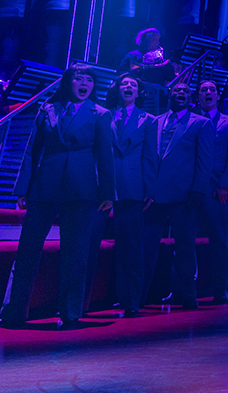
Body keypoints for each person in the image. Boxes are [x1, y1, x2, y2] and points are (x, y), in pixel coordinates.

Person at [0, 64, 115, 330]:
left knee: (76, 253)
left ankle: (71, 313)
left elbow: (105, 155)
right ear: (68, 82)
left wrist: (108, 193)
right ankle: (14, 310)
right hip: (45, 186)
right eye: (79, 79)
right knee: (27, 250)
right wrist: (23, 188)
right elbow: (32, 150)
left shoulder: (100, 114)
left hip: (81, 189)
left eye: (89, 80)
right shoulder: (47, 109)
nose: (84, 84)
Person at [85, 75, 157, 317]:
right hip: (102, 185)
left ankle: (130, 300)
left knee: (131, 247)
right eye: (125, 84)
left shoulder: (148, 120)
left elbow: (150, 156)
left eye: (133, 85)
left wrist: (149, 189)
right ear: (117, 89)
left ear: (138, 92)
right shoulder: (103, 114)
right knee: (89, 244)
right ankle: (80, 302)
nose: (128, 87)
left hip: (132, 186)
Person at [141, 81, 213, 309]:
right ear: (169, 94)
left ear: (191, 98)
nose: (181, 92)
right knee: (147, 247)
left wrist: (198, 189)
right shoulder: (155, 121)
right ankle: (138, 297)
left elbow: (205, 160)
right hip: (154, 195)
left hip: (184, 196)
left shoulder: (200, 123)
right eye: (177, 90)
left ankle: (187, 295)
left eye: (186, 91)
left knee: (185, 247)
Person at [195, 80, 228, 304]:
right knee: (185, 239)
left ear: (218, 96)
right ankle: (183, 288)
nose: (208, 92)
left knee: (218, 239)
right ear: (198, 96)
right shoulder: (190, 120)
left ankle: (219, 288)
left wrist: (225, 185)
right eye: (203, 89)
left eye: (212, 89)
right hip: (190, 188)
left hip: (216, 189)